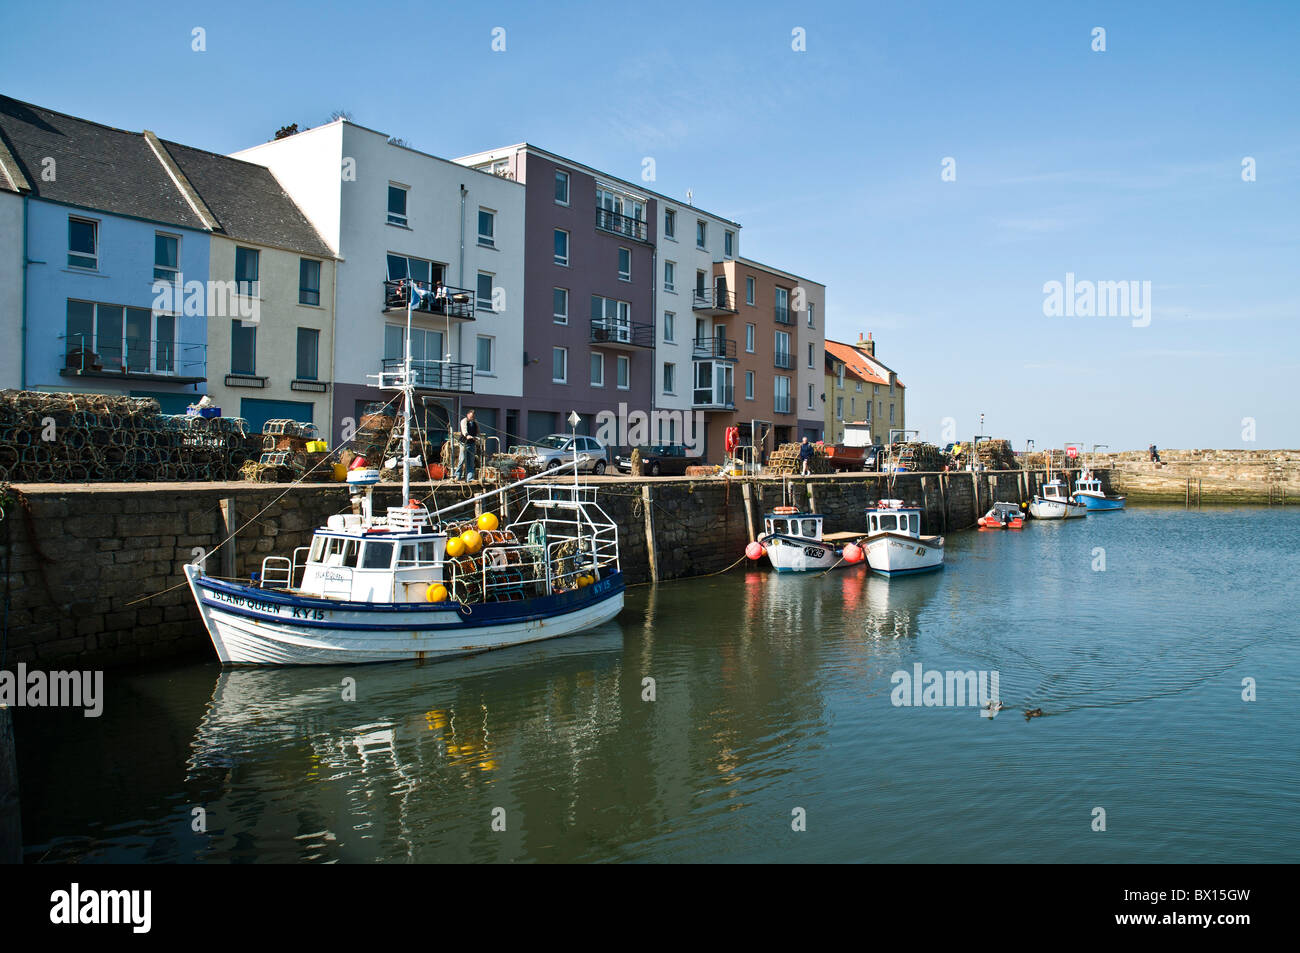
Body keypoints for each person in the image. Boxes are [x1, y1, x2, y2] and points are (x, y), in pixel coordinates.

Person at [456, 410, 479, 481]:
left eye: (473, 416)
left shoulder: (475, 422)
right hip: (464, 443)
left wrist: (478, 436)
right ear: (467, 415)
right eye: (471, 416)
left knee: (471, 461)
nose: (472, 418)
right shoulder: (464, 421)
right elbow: (464, 430)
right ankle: (457, 475)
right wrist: (467, 435)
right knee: (462, 459)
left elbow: (478, 430)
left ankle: (470, 478)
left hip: (472, 443)